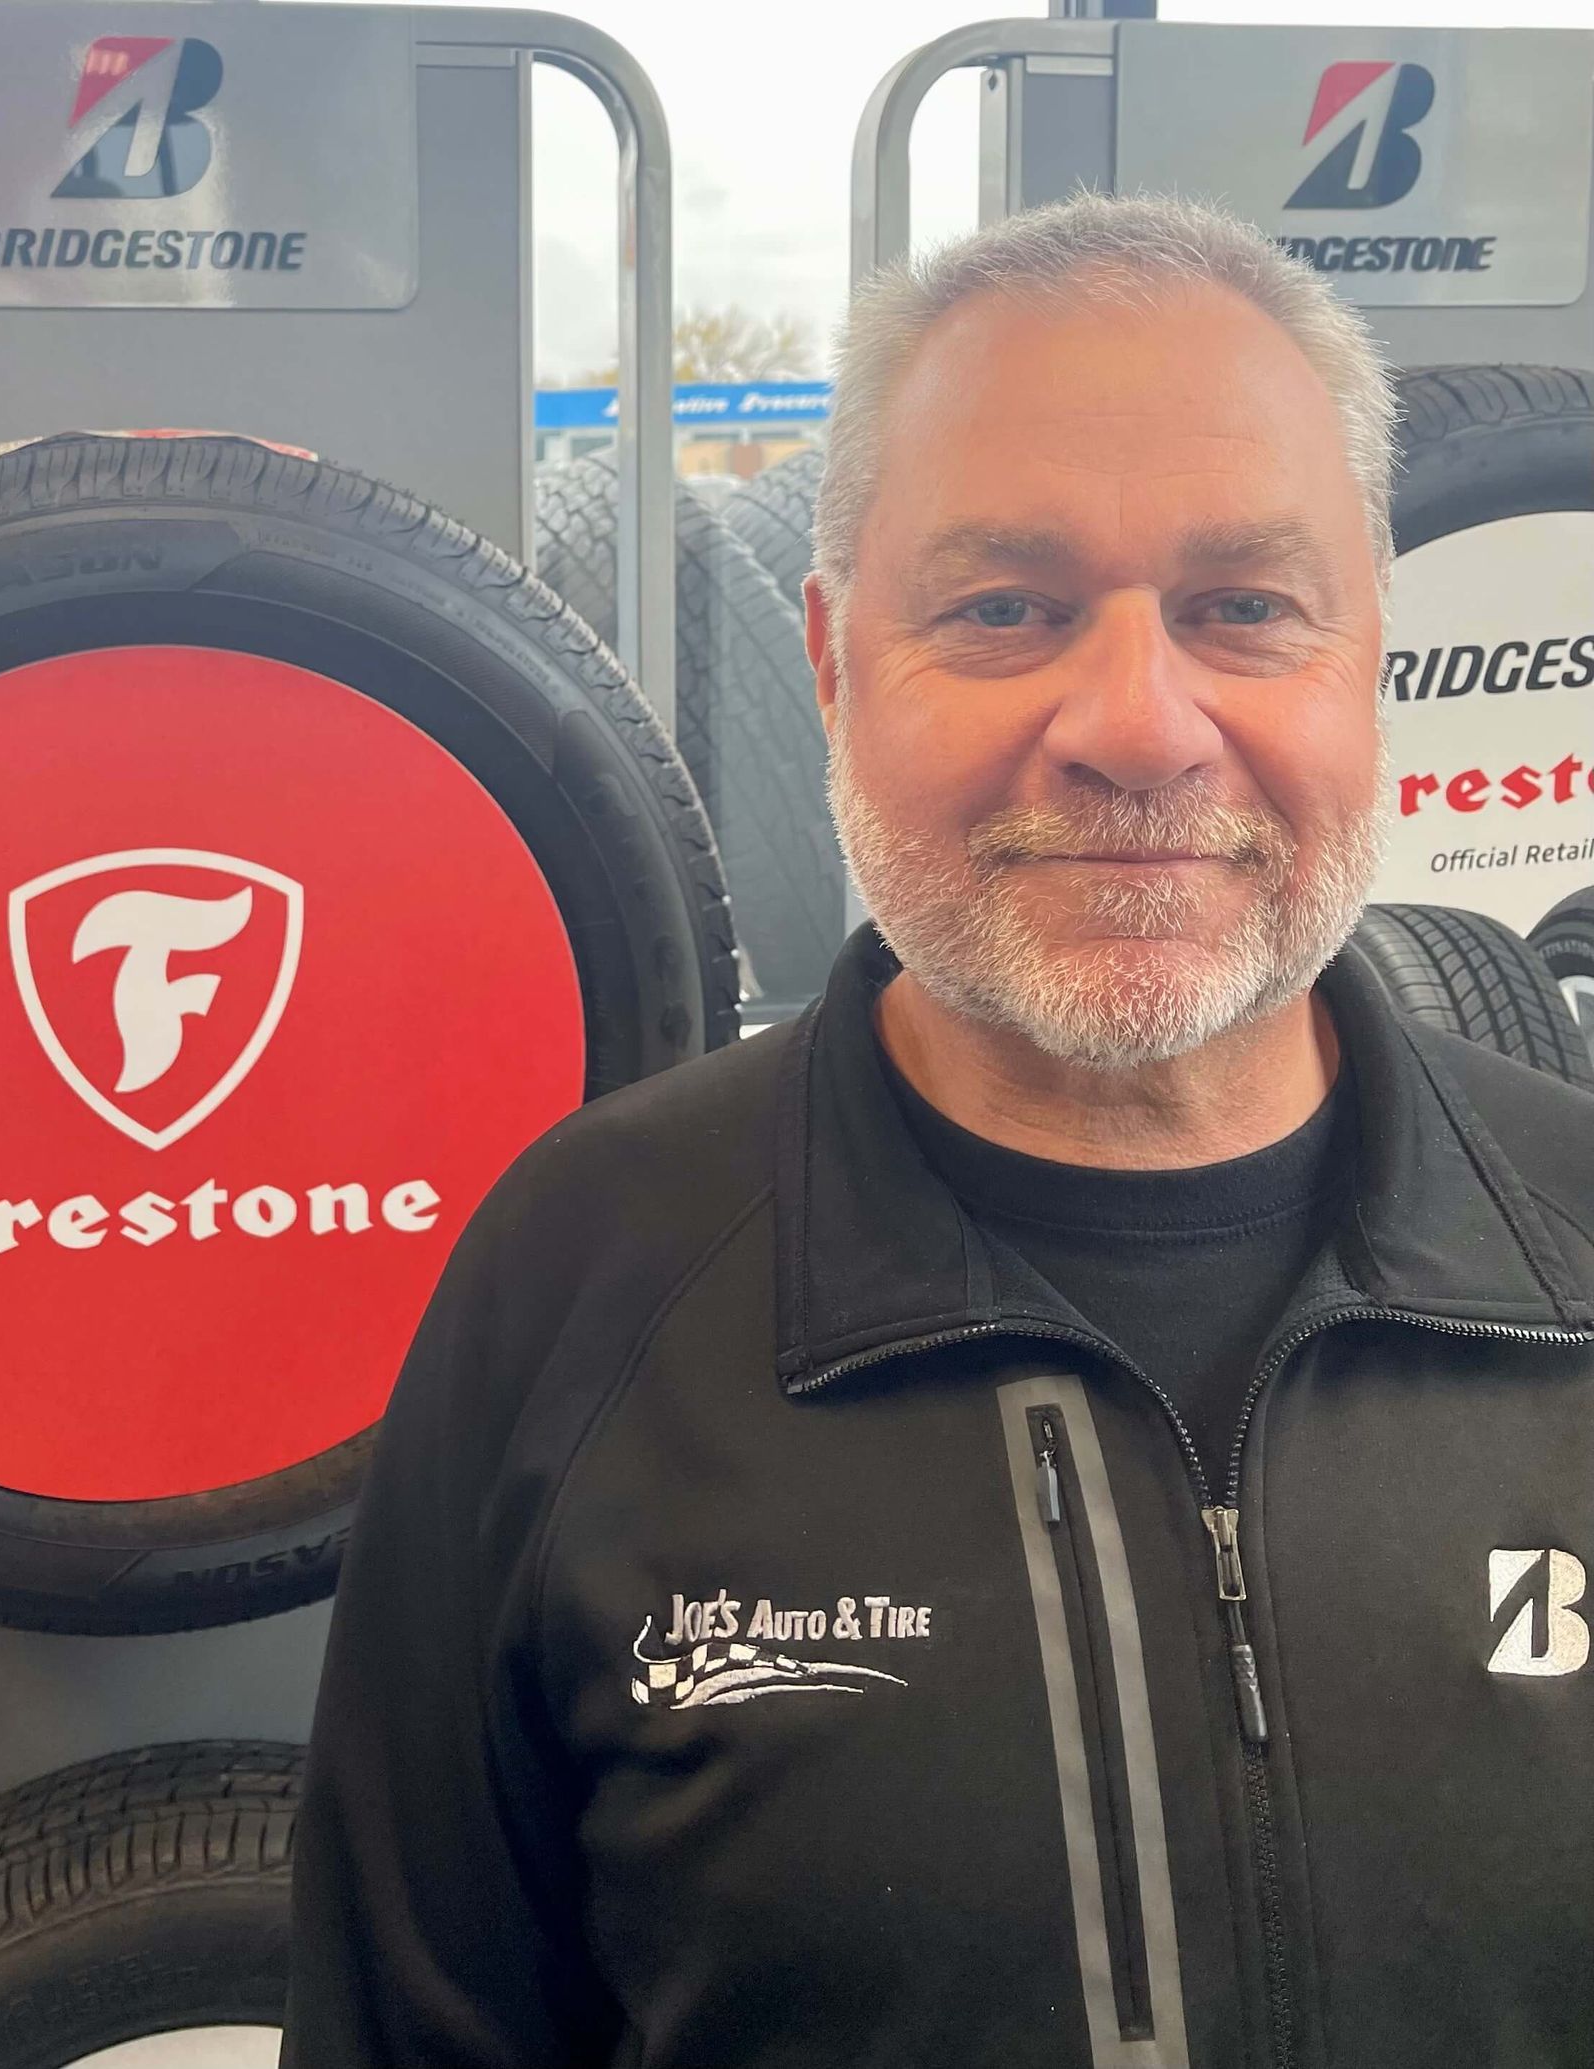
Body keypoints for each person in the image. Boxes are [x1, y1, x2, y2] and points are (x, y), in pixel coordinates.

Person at [278, 187, 1594, 2068]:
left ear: (1369, 649)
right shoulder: (578, 1284)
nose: (1139, 726)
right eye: (1005, 609)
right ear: (829, 659)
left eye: (1243, 608)